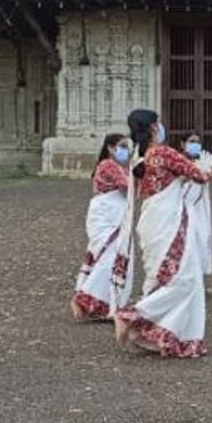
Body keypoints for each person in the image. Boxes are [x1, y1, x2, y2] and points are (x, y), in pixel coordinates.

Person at [112, 110, 212, 357]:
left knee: (163, 276)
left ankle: (164, 336)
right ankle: (135, 315)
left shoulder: (140, 157)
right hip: (169, 221)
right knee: (184, 279)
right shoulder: (163, 153)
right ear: (154, 128)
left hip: (152, 219)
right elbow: (200, 175)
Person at [71, 133, 135, 322]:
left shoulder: (119, 166)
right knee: (109, 257)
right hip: (107, 214)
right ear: (110, 147)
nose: (126, 150)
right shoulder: (108, 165)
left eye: (127, 147)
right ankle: (85, 298)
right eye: (122, 146)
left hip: (113, 212)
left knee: (110, 256)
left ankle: (104, 302)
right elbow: (126, 185)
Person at [180, 132, 212, 277]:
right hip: (182, 208)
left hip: (199, 208)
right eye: (191, 141)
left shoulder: (203, 161)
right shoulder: (178, 161)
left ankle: (196, 275)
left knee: (201, 238)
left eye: (197, 142)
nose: (195, 145)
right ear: (183, 144)